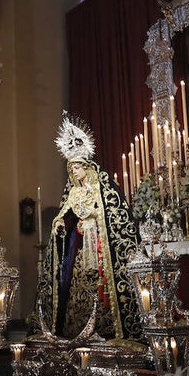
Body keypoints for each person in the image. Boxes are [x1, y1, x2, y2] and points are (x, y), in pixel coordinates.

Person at [37, 113, 142, 341]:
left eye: (76, 166)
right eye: (71, 167)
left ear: (86, 166)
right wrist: (59, 226)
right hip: (79, 249)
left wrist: (94, 216)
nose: (73, 171)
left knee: (100, 285)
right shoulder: (73, 192)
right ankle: (77, 328)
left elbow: (115, 215)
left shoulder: (102, 188)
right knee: (76, 288)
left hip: (99, 247)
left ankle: (107, 328)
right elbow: (63, 215)